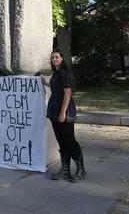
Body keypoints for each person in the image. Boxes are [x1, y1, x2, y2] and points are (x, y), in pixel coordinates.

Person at [41, 49, 86, 182]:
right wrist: (45, 83)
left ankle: (81, 169)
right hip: (54, 111)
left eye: (56, 57)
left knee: (70, 141)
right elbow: (55, 87)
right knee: (61, 141)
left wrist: (63, 112)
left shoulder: (64, 73)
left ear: (62, 58)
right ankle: (65, 169)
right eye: (52, 57)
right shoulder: (56, 73)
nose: (54, 59)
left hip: (64, 112)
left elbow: (67, 92)